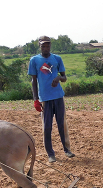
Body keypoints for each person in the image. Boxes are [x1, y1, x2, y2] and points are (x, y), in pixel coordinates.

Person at [28, 35, 74, 163]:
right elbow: (33, 80)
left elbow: (64, 77)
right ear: (40, 46)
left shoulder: (57, 59)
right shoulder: (34, 60)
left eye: (48, 45)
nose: (46, 47)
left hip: (58, 96)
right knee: (47, 126)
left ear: (50, 46)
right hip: (45, 98)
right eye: (43, 45)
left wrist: (58, 78)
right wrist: (36, 99)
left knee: (62, 125)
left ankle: (67, 150)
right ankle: (50, 154)